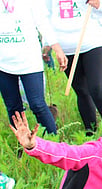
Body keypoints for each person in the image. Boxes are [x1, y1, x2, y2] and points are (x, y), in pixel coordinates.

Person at [44, 0, 102, 135]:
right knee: (81, 90)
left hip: (96, 39)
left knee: (98, 88)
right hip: (66, 46)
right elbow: (46, 15)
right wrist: (49, 43)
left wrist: (99, 3)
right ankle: (90, 135)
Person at [0, 0, 68, 135]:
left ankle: (54, 143)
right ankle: (24, 145)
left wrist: (57, 49)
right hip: (3, 63)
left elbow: (43, 23)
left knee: (37, 104)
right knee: (13, 107)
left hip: (29, 61)